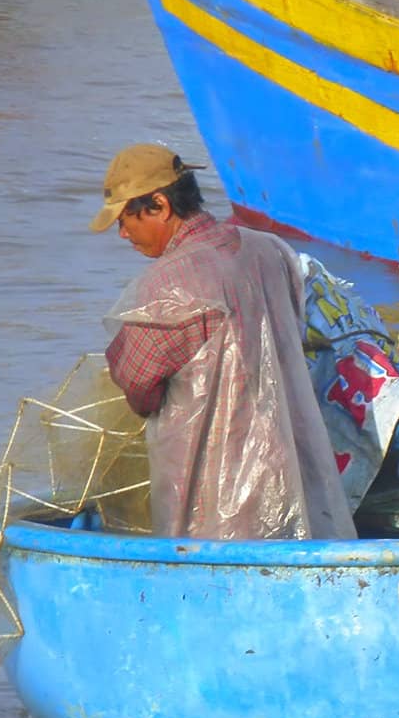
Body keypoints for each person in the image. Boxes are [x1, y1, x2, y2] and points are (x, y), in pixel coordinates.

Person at [92, 142, 355, 540]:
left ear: (160, 205)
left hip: (220, 490)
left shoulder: (166, 285)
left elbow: (137, 385)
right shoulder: (270, 250)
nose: (123, 232)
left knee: (214, 551)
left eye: (126, 219)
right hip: (295, 464)